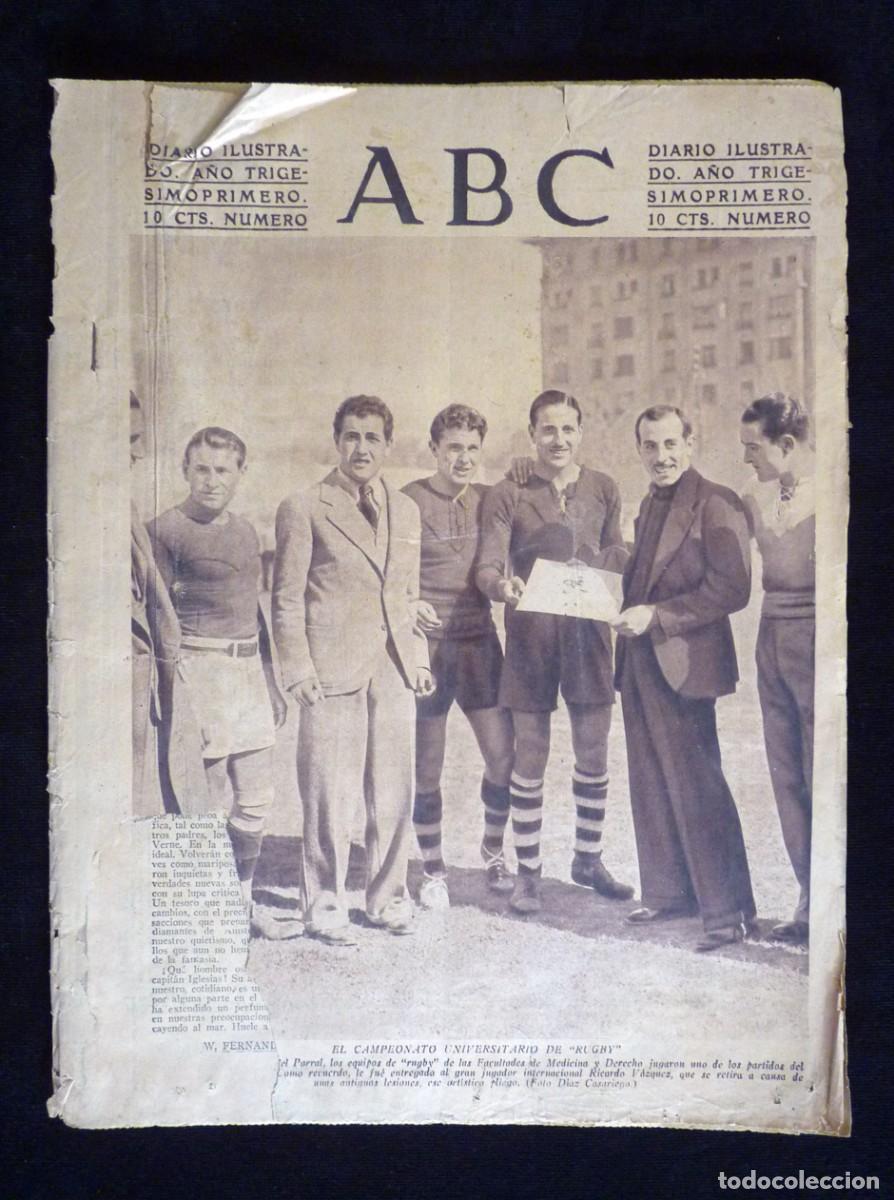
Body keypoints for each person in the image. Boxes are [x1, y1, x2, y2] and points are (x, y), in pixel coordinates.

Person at [272, 395, 433, 946]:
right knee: (327, 791)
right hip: (329, 672)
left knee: (393, 791)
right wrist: (296, 669)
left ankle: (388, 897)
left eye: (372, 438)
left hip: (393, 671)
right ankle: (324, 899)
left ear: (388, 444)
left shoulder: (407, 510)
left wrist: (419, 660)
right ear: (336, 441)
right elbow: (287, 599)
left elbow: (407, 593)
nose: (361, 447)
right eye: (351, 436)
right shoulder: (304, 506)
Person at [477, 390, 633, 915]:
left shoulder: (604, 487)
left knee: (593, 750)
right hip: (531, 637)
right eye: (548, 429)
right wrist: (502, 586)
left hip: (589, 632)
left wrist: (603, 560)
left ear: (581, 432)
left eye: (568, 429)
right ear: (532, 434)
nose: (558, 439)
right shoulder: (508, 491)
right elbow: (487, 564)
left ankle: (587, 858)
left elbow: (620, 551)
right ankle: (528, 874)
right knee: (531, 754)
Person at [614, 405, 756, 952]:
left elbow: (732, 589)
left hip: (687, 662)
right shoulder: (650, 503)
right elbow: (643, 577)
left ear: (690, 444)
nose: (661, 456)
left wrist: (658, 617)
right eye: (650, 446)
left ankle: (728, 914)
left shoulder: (718, 501)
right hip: (643, 659)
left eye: (671, 444)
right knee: (650, 779)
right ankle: (671, 893)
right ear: (640, 450)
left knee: (699, 786)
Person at [147, 426, 293, 939]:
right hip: (197, 669)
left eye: (223, 470)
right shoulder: (163, 530)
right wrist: (175, 692)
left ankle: (241, 905)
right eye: (202, 469)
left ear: (240, 474)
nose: (212, 480)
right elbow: (156, 618)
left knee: (255, 798)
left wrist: (272, 678)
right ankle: (203, 920)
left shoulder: (247, 532)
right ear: (185, 470)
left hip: (247, 670)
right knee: (202, 801)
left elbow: (253, 609)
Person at [402, 404, 515, 909]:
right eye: (453, 448)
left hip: (479, 641)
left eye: (473, 448)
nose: (464, 458)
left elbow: (530, 496)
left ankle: (493, 849)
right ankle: (432, 869)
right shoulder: (406, 501)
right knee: (428, 766)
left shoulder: (493, 498)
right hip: (426, 647)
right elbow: (387, 572)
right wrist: (409, 601)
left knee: (503, 757)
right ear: (434, 450)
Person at [740, 394, 815, 945]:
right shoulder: (756, 500)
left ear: (786, 445)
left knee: (826, 776)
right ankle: (810, 900)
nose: (747, 458)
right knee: (787, 776)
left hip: (822, 647)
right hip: (771, 642)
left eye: (753, 448)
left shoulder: (837, 496)